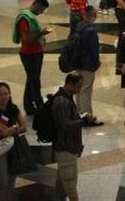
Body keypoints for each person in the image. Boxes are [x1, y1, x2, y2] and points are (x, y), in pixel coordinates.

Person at [12, 0, 51, 115]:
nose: (42, 12)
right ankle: (39, 105)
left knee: (31, 79)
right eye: (41, 9)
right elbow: (26, 38)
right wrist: (41, 33)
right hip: (28, 54)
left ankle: (28, 106)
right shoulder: (24, 18)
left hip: (37, 52)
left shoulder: (31, 17)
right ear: (36, 5)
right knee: (34, 81)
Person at [0, 82, 27, 201]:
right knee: (2, 181)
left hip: (13, 147)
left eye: (6, 93)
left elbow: (24, 127)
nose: (3, 97)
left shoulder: (13, 108)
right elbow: (1, 132)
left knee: (11, 181)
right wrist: (15, 127)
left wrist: (10, 130)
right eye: (0, 94)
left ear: (10, 94)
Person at [51, 73, 84, 201]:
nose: (80, 89)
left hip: (64, 146)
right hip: (66, 147)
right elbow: (64, 124)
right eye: (78, 86)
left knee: (61, 179)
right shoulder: (63, 101)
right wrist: (82, 121)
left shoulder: (66, 97)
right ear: (69, 84)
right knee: (70, 182)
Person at [73, 6, 103, 127]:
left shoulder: (79, 26)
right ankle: (87, 117)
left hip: (78, 62)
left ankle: (80, 113)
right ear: (94, 15)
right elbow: (94, 50)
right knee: (86, 90)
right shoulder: (91, 30)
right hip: (88, 64)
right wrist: (97, 63)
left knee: (78, 90)